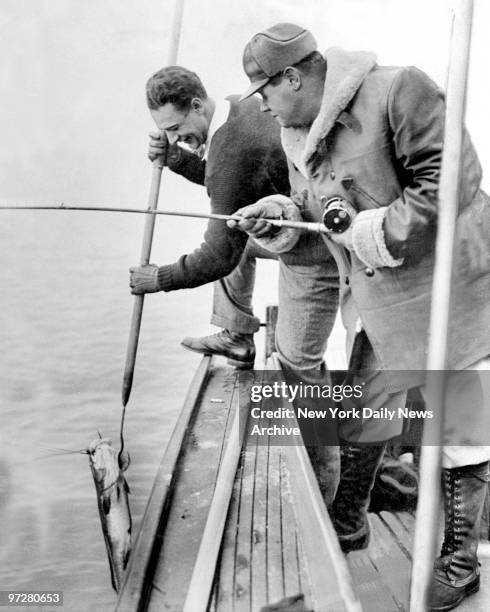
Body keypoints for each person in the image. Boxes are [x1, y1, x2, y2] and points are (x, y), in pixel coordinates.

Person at [235, 22, 490, 611]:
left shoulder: (399, 89)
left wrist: (376, 230)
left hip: (455, 293)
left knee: (460, 434)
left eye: (265, 93)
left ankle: (459, 562)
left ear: (292, 76)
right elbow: (317, 211)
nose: (266, 108)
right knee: (379, 416)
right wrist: (276, 216)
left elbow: (451, 179)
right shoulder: (297, 135)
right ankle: (354, 523)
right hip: (384, 309)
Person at [129, 65, 341, 505]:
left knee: (299, 369)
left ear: (196, 104)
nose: (173, 136)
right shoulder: (238, 108)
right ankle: (236, 335)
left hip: (318, 248)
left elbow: (216, 257)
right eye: (164, 133)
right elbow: (225, 183)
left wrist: (159, 278)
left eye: (175, 127)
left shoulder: (231, 147)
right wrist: (176, 159)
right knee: (233, 225)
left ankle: (326, 503)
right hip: (293, 221)